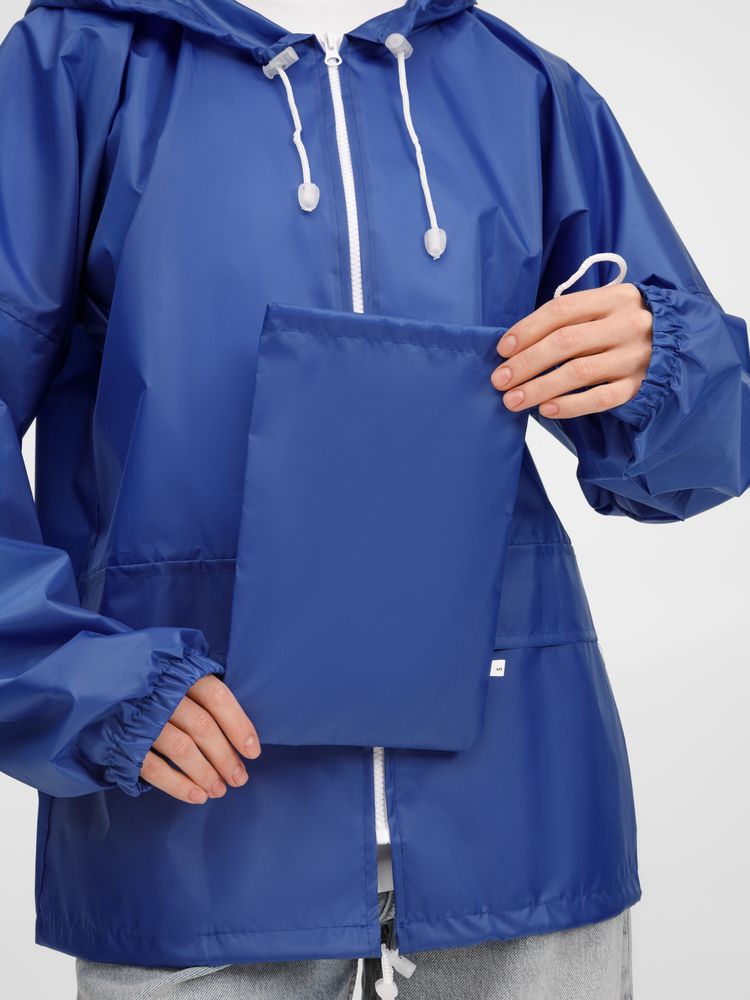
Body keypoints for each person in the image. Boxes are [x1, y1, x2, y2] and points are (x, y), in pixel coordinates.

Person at [0, 0, 747, 997]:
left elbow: (698, 455)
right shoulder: (78, 62)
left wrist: (666, 361)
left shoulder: (521, 87)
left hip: (518, 813)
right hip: (197, 816)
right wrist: (83, 681)